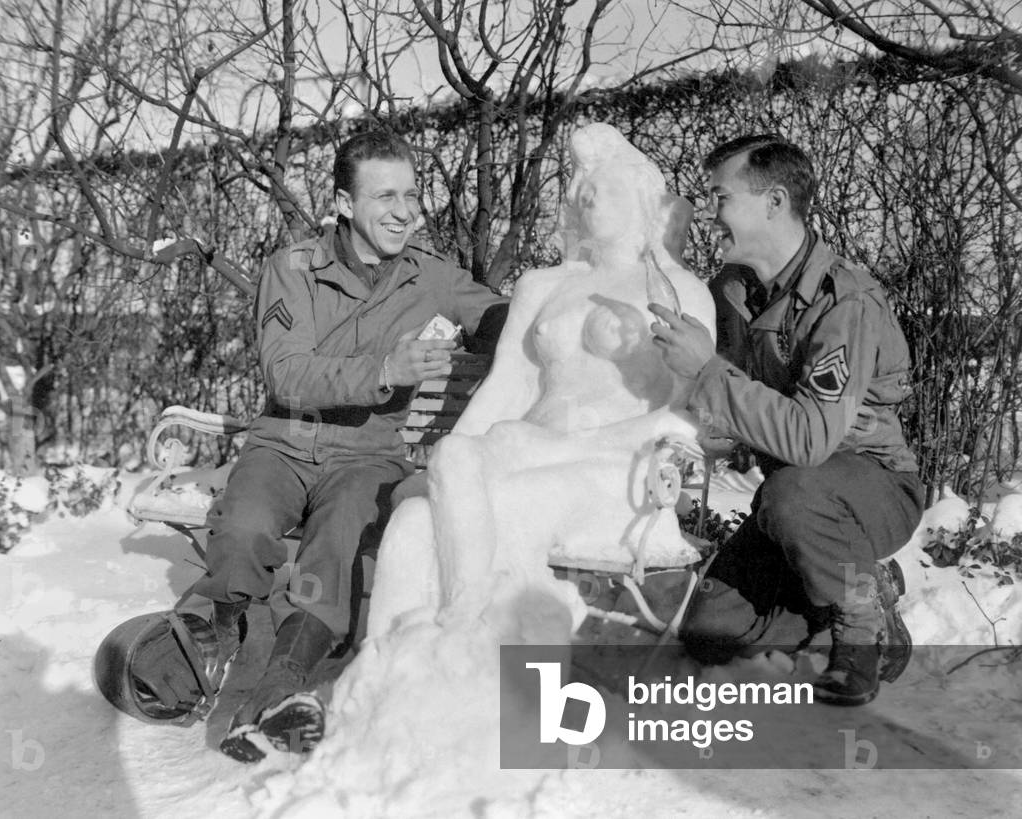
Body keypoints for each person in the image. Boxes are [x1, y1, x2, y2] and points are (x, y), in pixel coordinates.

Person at [191, 130, 508, 762]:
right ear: (343, 202)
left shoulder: (434, 277)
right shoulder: (292, 269)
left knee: (334, 552)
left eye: (412, 195)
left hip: (367, 455)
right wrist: (385, 367)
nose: (404, 211)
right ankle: (219, 640)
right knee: (243, 533)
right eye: (384, 196)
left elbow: (508, 318)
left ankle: (281, 688)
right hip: (283, 443)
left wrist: (537, 319)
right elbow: (287, 373)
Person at [366, 123, 715, 643]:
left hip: (616, 471)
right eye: (584, 185)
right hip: (523, 450)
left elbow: (682, 415)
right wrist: (464, 449)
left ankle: (474, 644)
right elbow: (505, 387)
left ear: (645, 200)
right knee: (416, 519)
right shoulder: (543, 287)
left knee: (505, 506)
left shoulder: (677, 291)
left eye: (608, 184)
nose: (591, 194)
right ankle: (388, 670)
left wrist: (562, 445)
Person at [649, 134, 924, 706]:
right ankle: (865, 587)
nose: (711, 213)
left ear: (774, 202)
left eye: (722, 197)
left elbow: (808, 440)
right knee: (711, 632)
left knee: (794, 492)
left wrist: (707, 372)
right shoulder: (732, 292)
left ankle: (858, 636)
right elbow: (733, 396)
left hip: (869, 487)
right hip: (791, 501)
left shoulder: (845, 303)